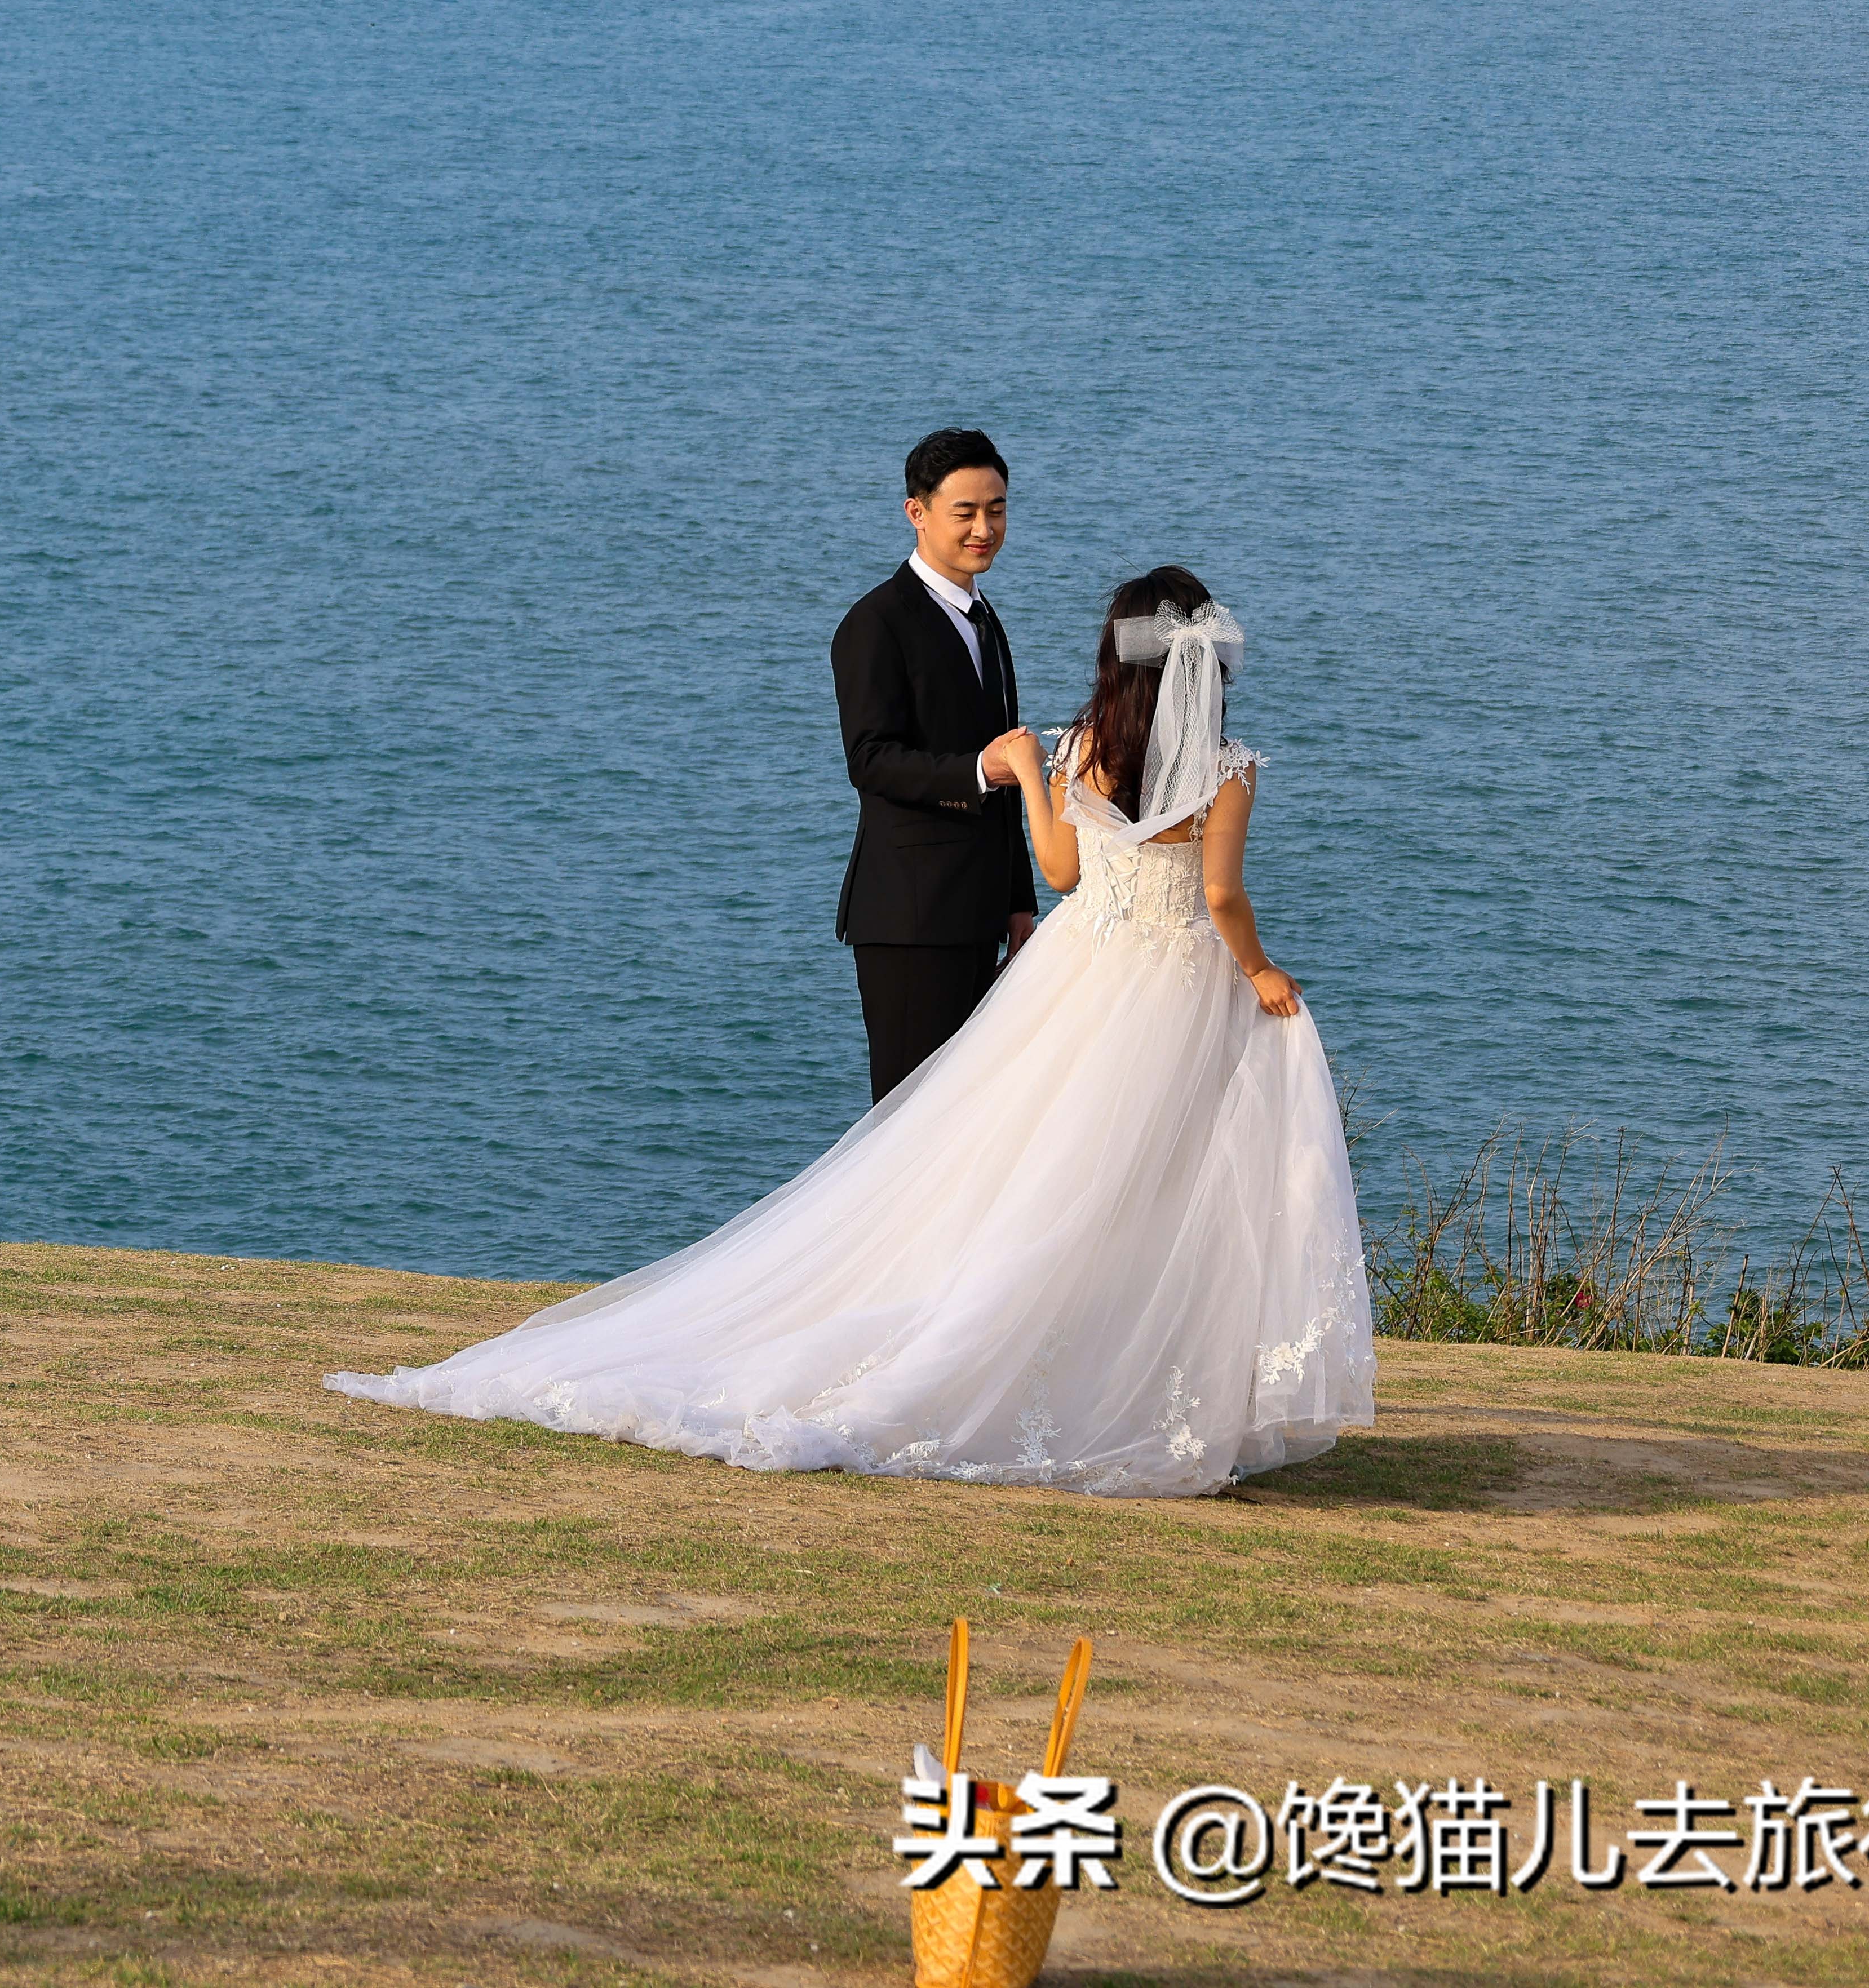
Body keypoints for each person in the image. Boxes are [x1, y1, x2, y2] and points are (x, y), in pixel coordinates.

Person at [332, 566, 1369, 1497]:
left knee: (1041, 1169)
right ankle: (1145, 1379)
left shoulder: (1084, 744)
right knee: (1160, 1183)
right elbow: (1223, 893)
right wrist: (1261, 969)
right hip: (1176, 986)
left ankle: (1065, 1359)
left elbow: (1057, 872)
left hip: (1080, 975)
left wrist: (1038, 789)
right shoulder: (1226, 767)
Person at [830, 427, 1043, 1102]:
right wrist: (977, 769)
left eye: (997, 509)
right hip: (908, 921)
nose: (984, 528)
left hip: (980, 916)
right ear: (915, 512)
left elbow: (1006, 764)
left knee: (968, 1124)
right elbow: (870, 759)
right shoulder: (875, 623)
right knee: (904, 1125)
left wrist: (1016, 899)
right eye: (966, 512)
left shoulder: (986, 619)